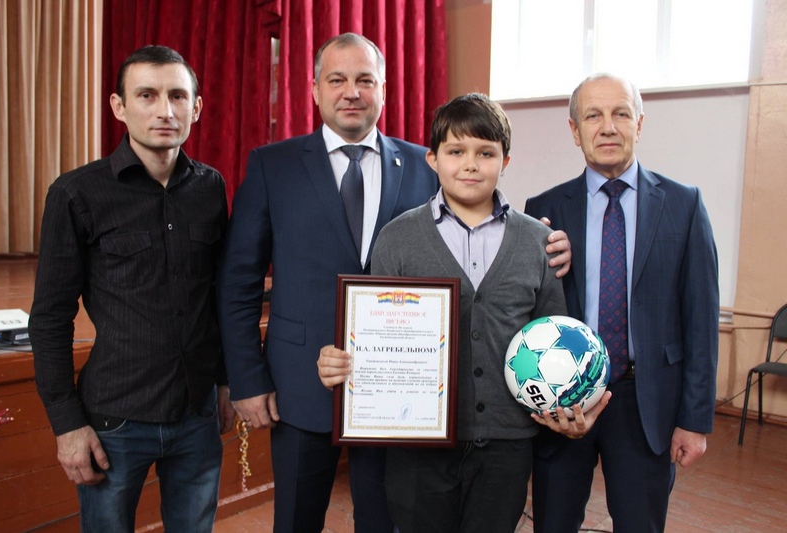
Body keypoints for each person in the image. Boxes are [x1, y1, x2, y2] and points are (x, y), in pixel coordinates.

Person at [217, 34, 572, 533]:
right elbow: (239, 282)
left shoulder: (424, 164)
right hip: (301, 385)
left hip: (405, 396)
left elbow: (478, 214)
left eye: (365, 80)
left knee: (387, 523)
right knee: (295, 521)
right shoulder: (272, 165)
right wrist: (248, 380)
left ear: (383, 90)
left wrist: (550, 241)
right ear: (314, 89)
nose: (352, 92)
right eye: (337, 80)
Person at [318, 92, 572, 532]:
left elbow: (554, 339)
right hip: (417, 447)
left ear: (505, 161)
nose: (470, 165)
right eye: (456, 152)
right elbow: (375, 340)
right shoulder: (397, 238)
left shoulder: (538, 242)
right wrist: (341, 363)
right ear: (433, 159)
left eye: (485, 153)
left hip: (507, 443)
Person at [29, 45, 234, 532]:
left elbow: (219, 298)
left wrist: (227, 381)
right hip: (114, 420)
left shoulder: (211, 187)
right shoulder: (76, 193)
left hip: (198, 413)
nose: (165, 110)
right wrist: (66, 424)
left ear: (196, 108)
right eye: (147, 95)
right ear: (119, 107)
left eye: (177, 96)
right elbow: (50, 318)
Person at [524, 73, 719, 532]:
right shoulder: (543, 211)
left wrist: (694, 420)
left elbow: (701, 319)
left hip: (644, 400)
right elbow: (527, 313)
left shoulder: (684, 205)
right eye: (593, 115)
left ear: (640, 124)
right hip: (564, 398)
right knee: (553, 522)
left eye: (621, 114)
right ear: (575, 130)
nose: (608, 127)